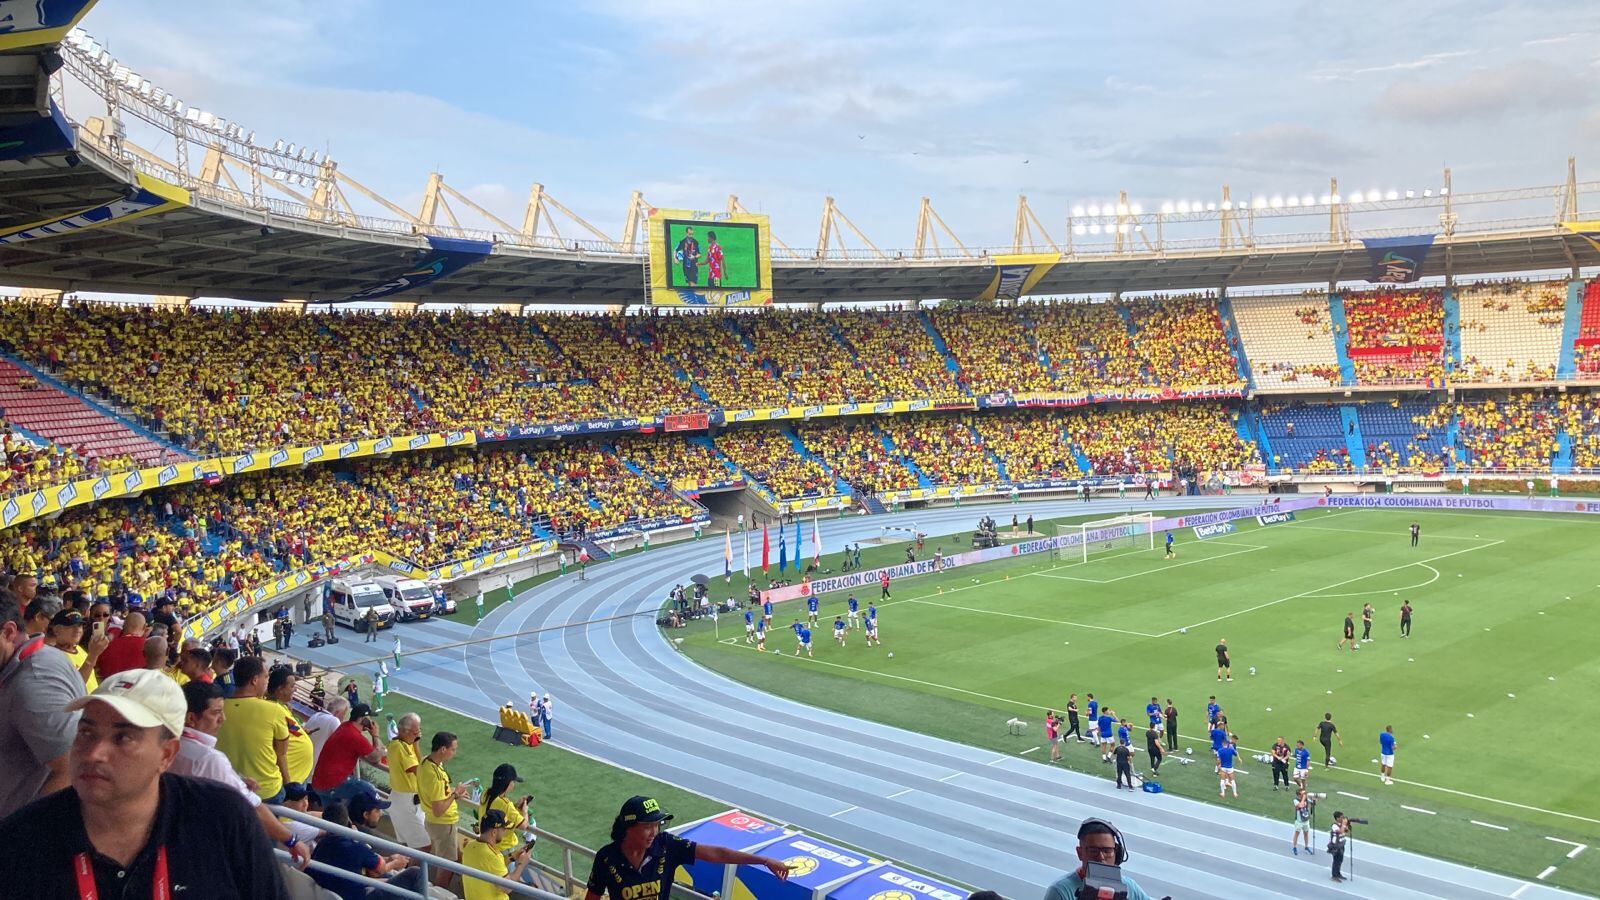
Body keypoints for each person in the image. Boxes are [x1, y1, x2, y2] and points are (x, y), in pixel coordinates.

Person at [0, 668, 284, 896]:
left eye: (123, 737)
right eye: (86, 733)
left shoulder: (224, 817)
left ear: (167, 754)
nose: (95, 753)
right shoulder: (21, 840)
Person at [170, 679, 310, 867]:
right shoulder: (209, 759)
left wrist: (236, 779)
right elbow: (255, 809)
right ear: (191, 718)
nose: (223, 719)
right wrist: (292, 841)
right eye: (216, 713)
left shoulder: (168, 744)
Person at [583, 796, 791, 900]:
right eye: (647, 826)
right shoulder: (606, 858)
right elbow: (592, 896)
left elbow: (717, 854)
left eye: (657, 825)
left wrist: (763, 860)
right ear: (628, 827)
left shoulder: (667, 845)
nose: (654, 832)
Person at [0, 586, 85, 817]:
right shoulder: (38, 659)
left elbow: (73, 766)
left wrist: (21, 833)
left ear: (8, 632)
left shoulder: (34, 683)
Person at [215, 656, 292, 802]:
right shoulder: (274, 710)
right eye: (266, 676)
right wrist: (289, 785)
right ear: (254, 680)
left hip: (228, 786)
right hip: (266, 791)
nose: (267, 680)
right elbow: (281, 753)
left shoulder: (218, 708)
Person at [310, 799, 419, 900]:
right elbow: (380, 869)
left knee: (390, 877)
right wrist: (396, 863)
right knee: (416, 873)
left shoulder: (321, 845)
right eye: (377, 810)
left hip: (333, 893)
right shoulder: (356, 847)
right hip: (360, 896)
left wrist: (389, 859)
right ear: (348, 823)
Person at [418, 730, 475, 886]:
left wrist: (451, 792)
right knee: (447, 866)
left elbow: (436, 792)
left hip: (433, 822)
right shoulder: (435, 775)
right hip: (442, 823)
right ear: (443, 749)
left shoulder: (425, 762)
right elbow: (438, 810)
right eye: (453, 749)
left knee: (450, 857)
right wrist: (455, 794)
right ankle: (438, 894)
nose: (454, 753)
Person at [1043, 818, 1152, 900]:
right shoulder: (1061, 891)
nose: (1101, 857)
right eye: (1093, 851)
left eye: (1107, 850)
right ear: (1080, 853)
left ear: (1117, 853)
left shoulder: (1130, 887)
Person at [312, 701, 384, 804]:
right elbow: (375, 758)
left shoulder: (345, 726)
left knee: (335, 816)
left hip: (320, 782)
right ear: (363, 720)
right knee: (369, 790)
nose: (371, 721)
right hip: (332, 783)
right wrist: (375, 735)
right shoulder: (355, 736)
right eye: (369, 719)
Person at [463, 808, 536, 900]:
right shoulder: (492, 856)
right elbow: (508, 888)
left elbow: (490, 868)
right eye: (503, 829)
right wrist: (522, 864)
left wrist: (512, 857)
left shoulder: (469, 846)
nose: (505, 832)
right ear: (494, 832)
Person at [387, 711, 432, 850]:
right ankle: (411, 871)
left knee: (410, 844)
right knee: (424, 845)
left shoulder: (406, 744)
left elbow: (419, 764)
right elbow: (419, 771)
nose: (418, 735)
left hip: (407, 800)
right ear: (404, 731)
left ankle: (406, 869)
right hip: (406, 802)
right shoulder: (401, 747)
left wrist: (416, 743)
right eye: (415, 732)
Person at [50, 607, 108, 692]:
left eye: (80, 626)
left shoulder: (80, 649)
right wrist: (93, 655)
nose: (77, 630)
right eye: (71, 626)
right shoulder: (53, 656)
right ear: (56, 630)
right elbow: (75, 686)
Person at [94, 609, 149, 678]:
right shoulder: (149, 646)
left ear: (123, 625)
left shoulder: (104, 645)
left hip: (105, 685)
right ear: (144, 627)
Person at [304, 694, 345, 768]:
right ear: (338, 712)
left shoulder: (317, 715)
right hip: (314, 764)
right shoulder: (334, 720)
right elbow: (343, 743)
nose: (343, 717)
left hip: (305, 758)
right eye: (344, 714)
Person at [1292, 787, 1315, 856]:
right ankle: (1294, 847)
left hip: (1306, 820)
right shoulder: (1295, 800)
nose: (1304, 794)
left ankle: (1306, 846)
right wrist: (1304, 798)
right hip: (1299, 821)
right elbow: (1301, 805)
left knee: (1306, 833)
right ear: (1299, 795)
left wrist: (1314, 799)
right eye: (1303, 793)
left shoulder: (1306, 799)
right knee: (1297, 833)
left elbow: (1313, 803)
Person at [1329, 811, 1351, 882]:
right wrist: (1344, 824)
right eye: (1341, 817)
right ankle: (1334, 876)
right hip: (1335, 845)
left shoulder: (1342, 824)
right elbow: (1341, 831)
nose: (1342, 819)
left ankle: (1338, 873)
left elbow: (1347, 830)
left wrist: (1347, 824)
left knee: (1340, 860)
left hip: (1341, 845)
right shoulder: (1334, 825)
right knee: (1336, 861)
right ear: (1337, 818)